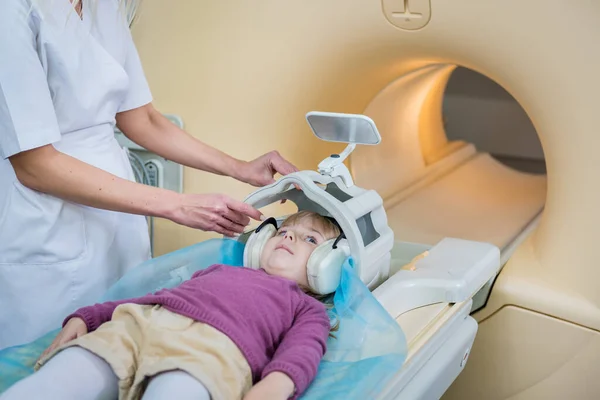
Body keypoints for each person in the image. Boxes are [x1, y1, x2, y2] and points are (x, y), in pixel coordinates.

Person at [0, 0, 299, 349]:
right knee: (44, 360)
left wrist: (241, 168)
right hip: (46, 218)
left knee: (120, 346)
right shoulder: (12, 10)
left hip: (118, 216)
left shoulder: (106, 6)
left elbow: (142, 119)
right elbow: (36, 164)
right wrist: (178, 205)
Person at [0, 211, 341, 400]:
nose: (289, 237)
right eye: (283, 231)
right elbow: (153, 300)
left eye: (310, 239)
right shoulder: (217, 270)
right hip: (139, 327)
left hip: (209, 354)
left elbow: (302, 351)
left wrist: (276, 385)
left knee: (177, 391)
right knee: (67, 373)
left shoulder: (306, 309)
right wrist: (88, 318)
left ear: (327, 265)